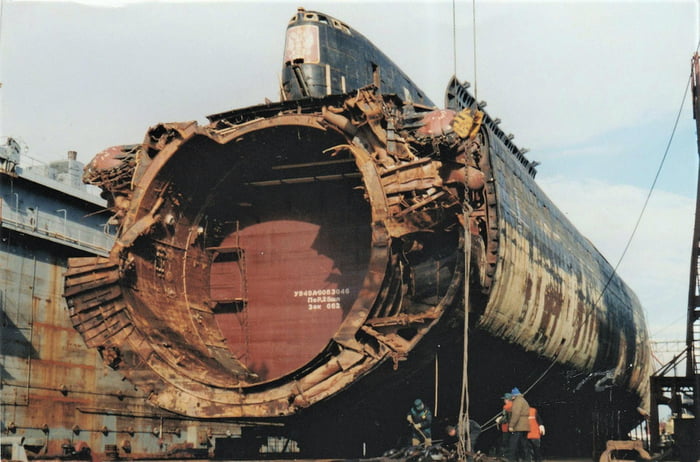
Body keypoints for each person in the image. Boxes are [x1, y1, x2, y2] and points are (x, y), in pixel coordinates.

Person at [507, 388, 530, 462]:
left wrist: (511, 425)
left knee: (513, 443)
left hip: (519, 426)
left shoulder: (517, 401)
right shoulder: (523, 400)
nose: (511, 397)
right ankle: (527, 460)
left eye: (512, 395)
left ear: (514, 395)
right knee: (524, 444)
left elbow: (516, 414)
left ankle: (511, 460)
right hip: (525, 425)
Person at [495, 393, 513, 457]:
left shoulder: (507, 406)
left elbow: (506, 418)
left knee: (505, 442)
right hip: (512, 427)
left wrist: (499, 420)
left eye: (505, 399)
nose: (504, 401)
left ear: (508, 399)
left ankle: (505, 456)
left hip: (506, 427)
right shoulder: (514, 405)